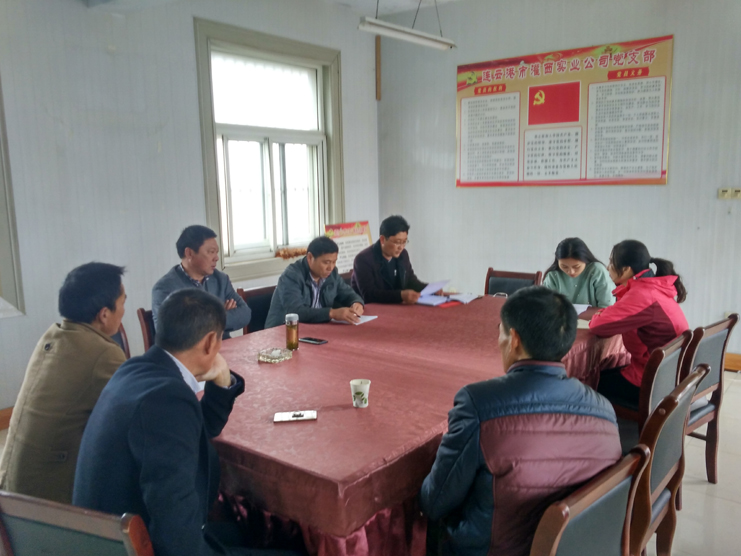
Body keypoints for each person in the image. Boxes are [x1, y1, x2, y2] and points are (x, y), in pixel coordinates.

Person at [74, 289, 296, 556]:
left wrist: (222, 382)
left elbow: (197, 432)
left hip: (112, 536)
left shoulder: (135, 370)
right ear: (210, 341)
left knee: (266, 533)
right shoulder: (166, 400)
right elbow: (176, 536)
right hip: (141, 546)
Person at [420, 287, 621, 556]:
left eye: (500, 331)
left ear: (514, 339)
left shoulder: (478, 404)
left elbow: (435, 502)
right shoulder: (604, 409)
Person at [0, 263, 127, 504]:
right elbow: (133, 413)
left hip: (12, 485)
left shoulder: (53, 335)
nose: (124, 311)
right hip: (48, 499)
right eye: (123, 303)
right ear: (104, 314)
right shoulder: (103, 353)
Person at [590, 240, 689, 405]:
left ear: (626, 269)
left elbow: (598, 326)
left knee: (589, 384)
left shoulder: (642, 294)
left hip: (654, 382)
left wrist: (600, 312)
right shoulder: (653, 286)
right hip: (668, 373)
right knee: (599, 374)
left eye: (611, 263)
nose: (608, 267)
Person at [152, 225, 250, 338]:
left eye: (216, 252)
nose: (216, 258)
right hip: (189, 350)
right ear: (189, 253)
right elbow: (169, 332)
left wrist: (199, 321)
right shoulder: (165, 288)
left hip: (223, 345)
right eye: (211, 252)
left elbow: (245, 314)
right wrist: (221, 315)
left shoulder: (221, 279)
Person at [265, 236, 364, 328]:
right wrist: (331, 313)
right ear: (310, 258)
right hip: (285, 330)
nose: (330, 267)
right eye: (326, 262)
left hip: (315, 328)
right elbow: (295, 312)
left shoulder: (332, 274)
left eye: (334, 262)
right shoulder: (292, 276)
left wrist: (356, 303)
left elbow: (348, 294)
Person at [351, 215, 427, 304]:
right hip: (370, 309)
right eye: (397, 242)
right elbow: (369, 295)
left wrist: (430, 289)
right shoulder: (363, 259)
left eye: (404, 242)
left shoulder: (403, 254)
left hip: (396, 306)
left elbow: (410, 280)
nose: (401, 247)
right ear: (382, 239)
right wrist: (400, 296)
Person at [542, 237, 614, 308]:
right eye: (564, 266)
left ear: (585, 259)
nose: (571, 272)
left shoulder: (596, 271)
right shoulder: (553, 276)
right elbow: (547, 308)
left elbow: (607, 307)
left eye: (576, 267)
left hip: (598, 316)